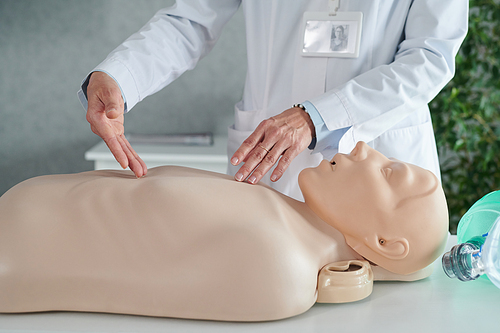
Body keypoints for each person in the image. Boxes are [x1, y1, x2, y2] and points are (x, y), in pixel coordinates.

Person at [0, 142, 448, 321]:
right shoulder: (280, 216)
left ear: (385, 243)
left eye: (390, 173)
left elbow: (96, 285)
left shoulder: (280, 267)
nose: (364, 148)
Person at [79, 1, 468, 201]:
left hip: (380, 159)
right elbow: (191, 20)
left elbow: (431, 56)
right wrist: (119, 77)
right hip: (271, 165)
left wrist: (318, 118)